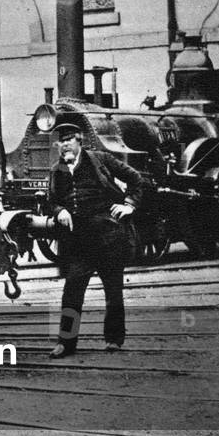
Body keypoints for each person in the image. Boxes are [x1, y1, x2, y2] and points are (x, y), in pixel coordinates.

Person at [47, 114, 144, 358]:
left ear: (79, 141)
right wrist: (60, 211)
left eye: (69, 140)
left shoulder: (100, 159)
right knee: (71, 292)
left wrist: (129, 204)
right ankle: (65, 343)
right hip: (79, 242)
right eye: (61, 141)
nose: (65, 145)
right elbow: (52, 201)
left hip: (109, 236)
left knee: (113, 291)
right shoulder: (56, 170)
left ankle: (114, 340)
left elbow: (135, 178)